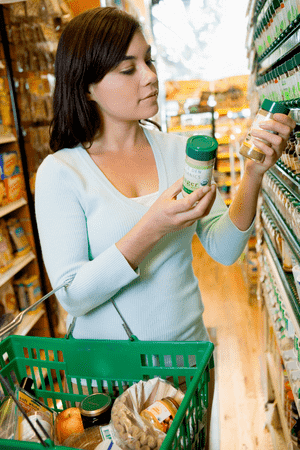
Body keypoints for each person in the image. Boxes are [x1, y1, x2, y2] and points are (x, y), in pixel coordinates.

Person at [34, 6, 296, 448]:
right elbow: (73, 294)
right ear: (88, 85)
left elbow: (224, 248)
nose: (150, 76)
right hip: (108, 375)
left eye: (149, 60)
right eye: (127, 68)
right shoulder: (61, 173)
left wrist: (254, 172)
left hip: (185, 363)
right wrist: (151, 226)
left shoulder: (181, 152)